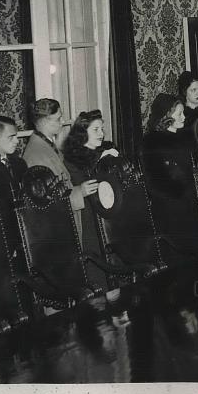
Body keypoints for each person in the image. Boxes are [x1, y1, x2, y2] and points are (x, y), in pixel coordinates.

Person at [62, 109, 122, 298]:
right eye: (96, 129)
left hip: (110, 217)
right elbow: (84, 187)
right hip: (89, 220)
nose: (101, 133)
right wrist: (101, 161)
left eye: (102, 129)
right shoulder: (72, 159)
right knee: (98, 272)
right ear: (82, 133)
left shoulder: (104, 152)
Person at [23, 98, 94, 241]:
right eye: (58, 118)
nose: (62, 122)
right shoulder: (37, 154)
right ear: (44, 121)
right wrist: (80, 191)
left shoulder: (45, 145)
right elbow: (48, 201)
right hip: (56, 230)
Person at [141, 94, 198, 257]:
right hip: (170, 211)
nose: (184, 117)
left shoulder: (187, 138)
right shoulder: (152, 143)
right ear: (166, 116)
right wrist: (181, 190)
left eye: (183, 113)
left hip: (192, 205)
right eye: (179, 114)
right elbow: (154, 183)